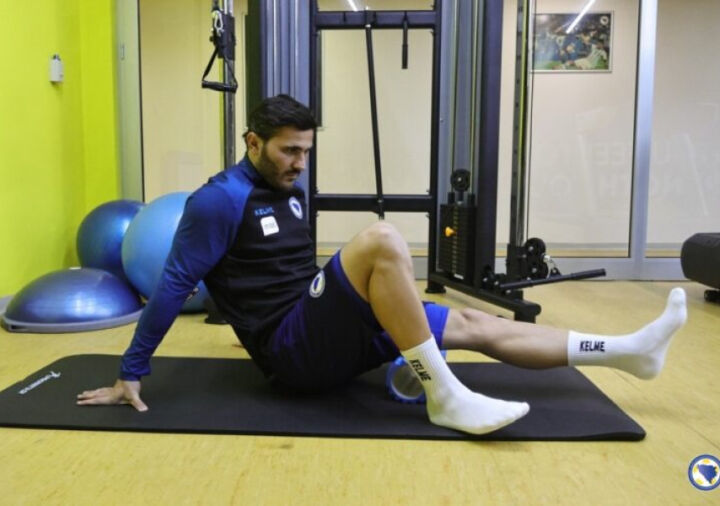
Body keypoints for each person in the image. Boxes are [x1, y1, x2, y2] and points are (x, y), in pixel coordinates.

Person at [77, 95, 688, 435]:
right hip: (293, 354)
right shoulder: (217, 200)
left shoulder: (290, 191)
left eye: (306, 151)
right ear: (252, 142)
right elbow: (174, 286)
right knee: (382, 240)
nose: (299, 164)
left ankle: (627, 352)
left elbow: (280, 274)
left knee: (474, 325)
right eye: (289, 151)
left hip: (313, 328)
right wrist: (131, 371)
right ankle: (445, 397)